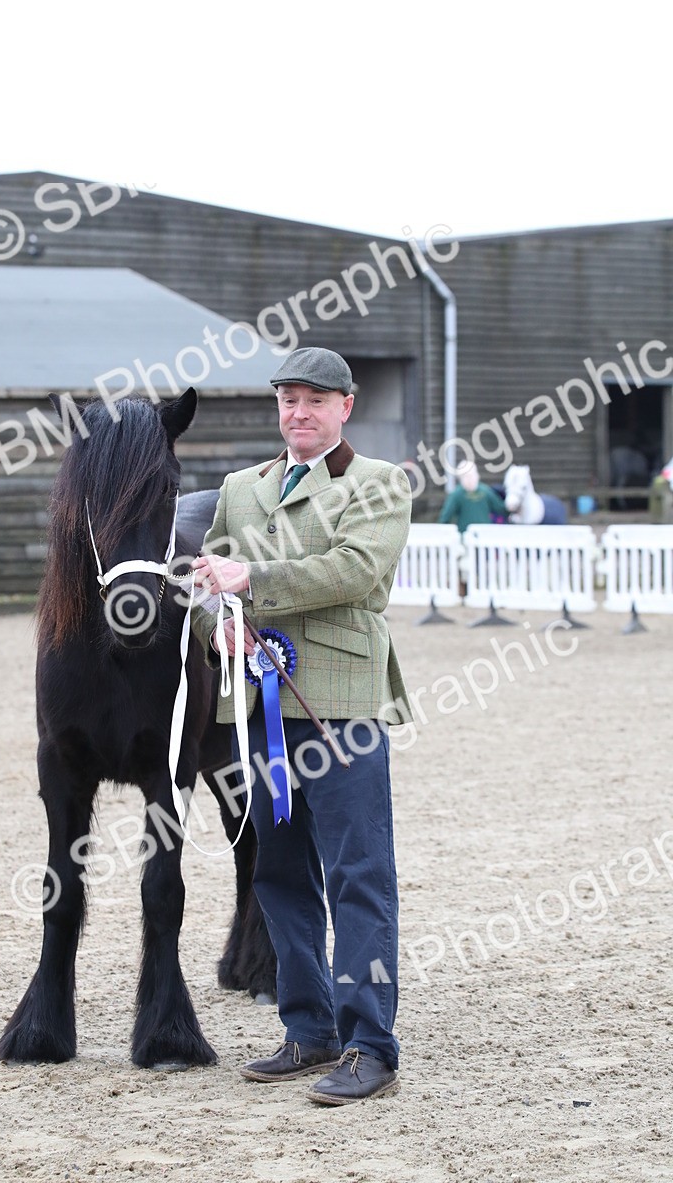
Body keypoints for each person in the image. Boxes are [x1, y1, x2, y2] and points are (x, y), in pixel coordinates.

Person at [190, 346, 411, 1106]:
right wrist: (219, 626)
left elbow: (357, 570)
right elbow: (204, 583)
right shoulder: (240, 488)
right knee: (277, 876)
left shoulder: (378, 484)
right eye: (288, 398)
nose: (299, 411)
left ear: (345, 405)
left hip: (340, 706)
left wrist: (258, 582)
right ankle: (307, 1027)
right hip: (257, 714)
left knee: (358, 877)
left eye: (316, 399)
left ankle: (369, 1044)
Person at [437, 459, 508, 531]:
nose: (470, 479)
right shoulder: (457, 494)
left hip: (484, 535)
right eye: (466, 476)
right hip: (465, 536)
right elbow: (445, 517)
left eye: (472, 475)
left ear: (477, 475)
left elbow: (501, 508)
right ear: (460, 478)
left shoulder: (485, 491)